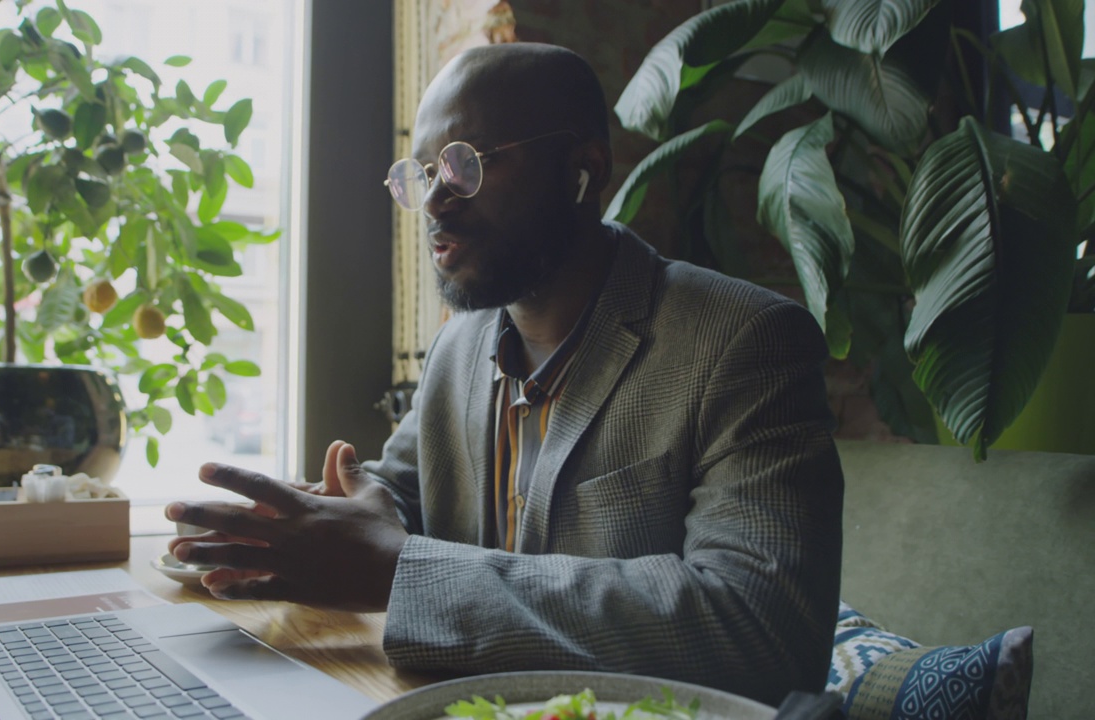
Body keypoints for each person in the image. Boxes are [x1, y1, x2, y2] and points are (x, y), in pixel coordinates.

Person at [165, 42, 843, 706]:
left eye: (464, 164)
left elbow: (767, 633)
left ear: (584, 169)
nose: (434, 200)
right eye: (422, 173)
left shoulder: (744, 342)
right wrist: (304, 526)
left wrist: (401, 572)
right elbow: (398, 499)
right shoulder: (460, 347)